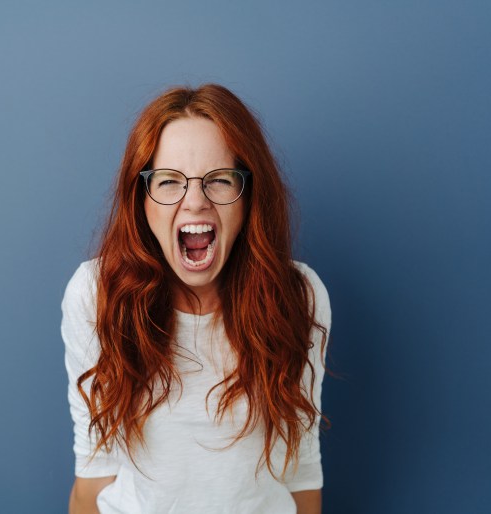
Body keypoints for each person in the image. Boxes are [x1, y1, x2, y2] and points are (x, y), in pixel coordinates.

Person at [61, 84, 331, 514]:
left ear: (248, 198)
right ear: (141, 199)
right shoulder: (96, 296)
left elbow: (301, 472)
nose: (195, 202)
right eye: (169, 182)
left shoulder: (299, 297)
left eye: (219, 180)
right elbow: (94, 472)